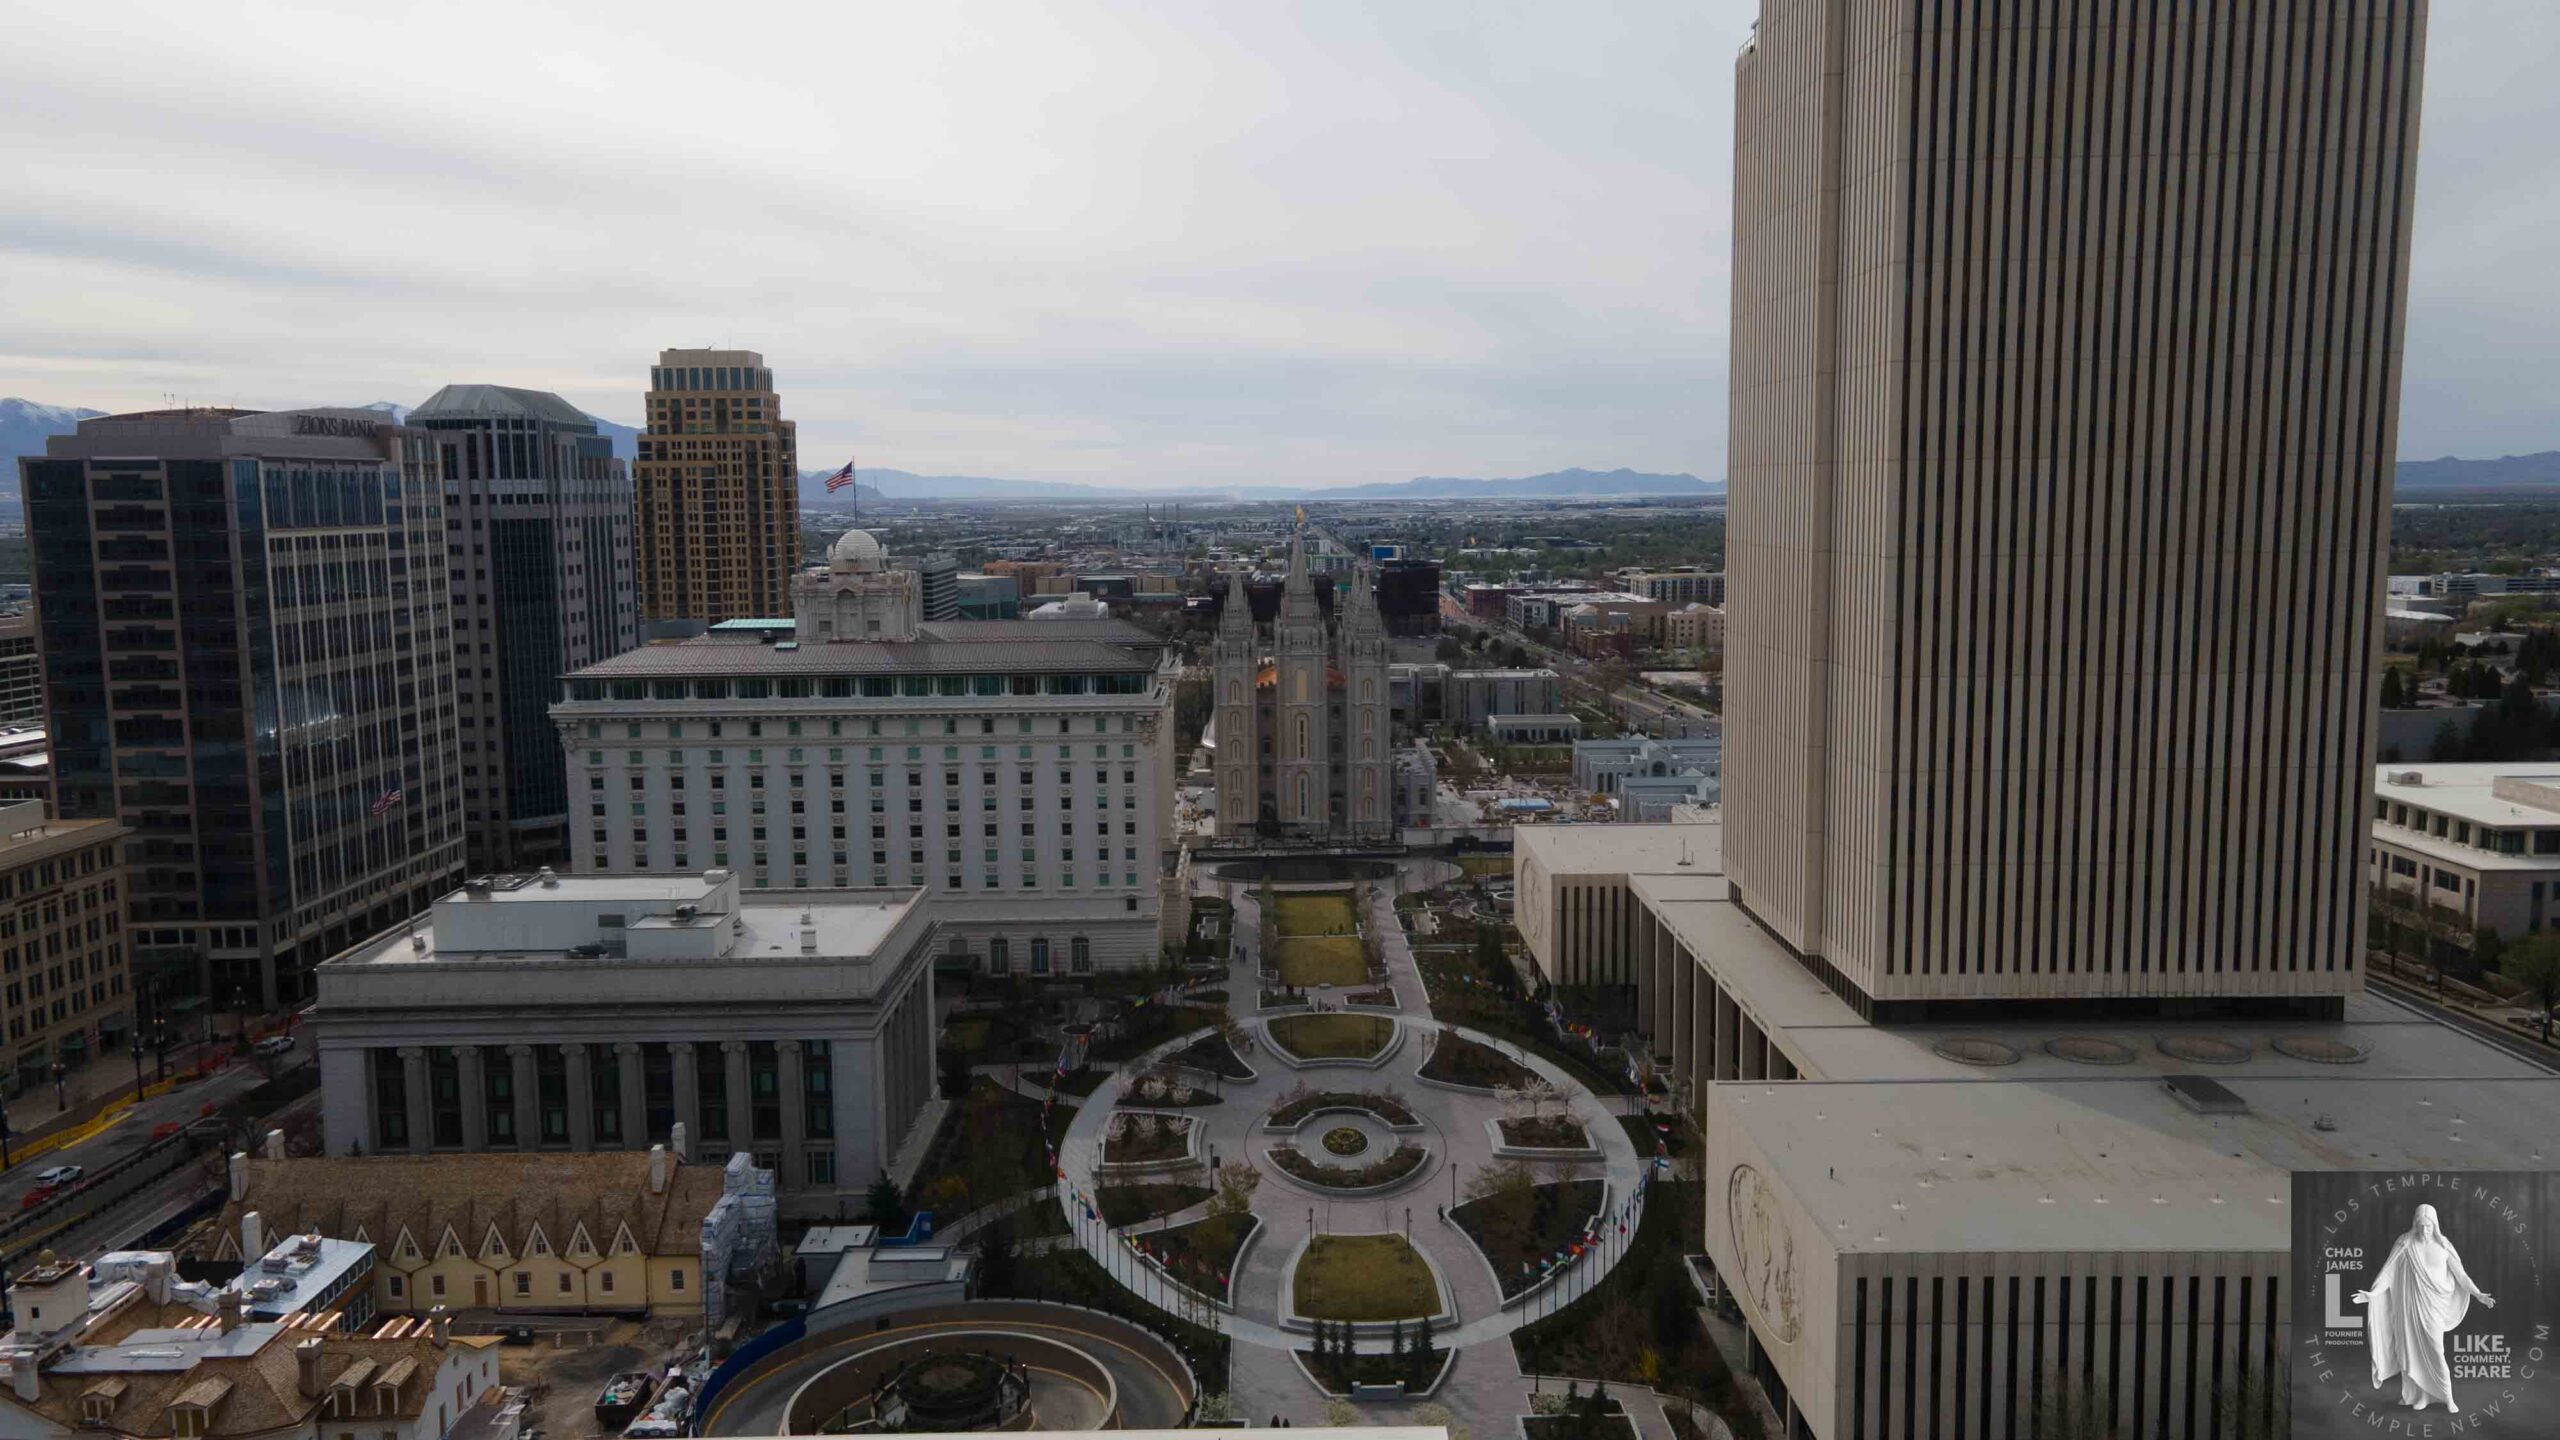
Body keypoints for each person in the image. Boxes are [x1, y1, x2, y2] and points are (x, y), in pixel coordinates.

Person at [2351, 1202, 2497, 1413]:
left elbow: (2461, 1275)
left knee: (2437, 1351)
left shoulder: (2444, 1246)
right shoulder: (2405, 1244)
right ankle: (2420, 1396)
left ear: (2435, 1226)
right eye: (2420, 1226)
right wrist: (2373, 1294)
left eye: (2428, 1226)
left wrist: (2478, 1294)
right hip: (2410, 1309)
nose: (2424, 1230)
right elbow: (2388, 1273)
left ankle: (2448, 1397)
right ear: (2415, 1224)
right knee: (2411, 1351)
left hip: (2434, 1307)